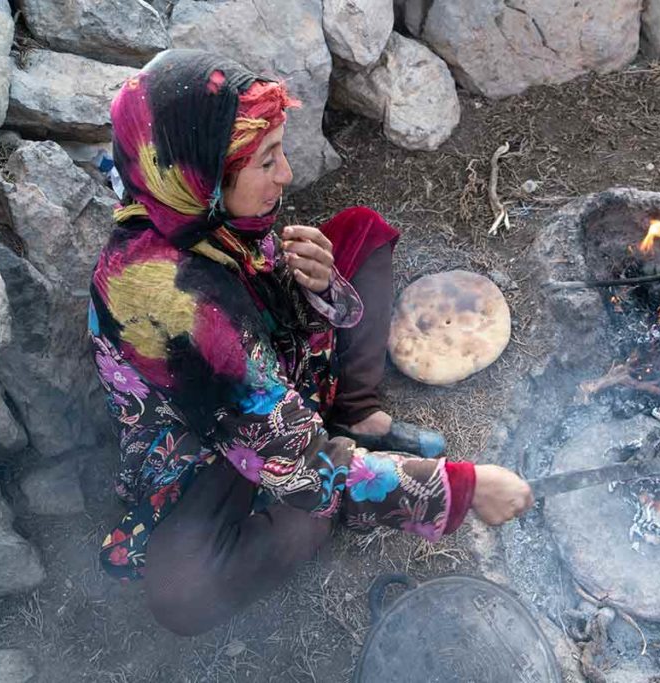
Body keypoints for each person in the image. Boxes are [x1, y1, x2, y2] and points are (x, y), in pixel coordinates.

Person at [88, 49, 534, 636]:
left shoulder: (201, 211)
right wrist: (461, 487)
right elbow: (291, 455)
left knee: (360, 233)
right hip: (217, 446)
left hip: (271, 382)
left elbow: (276, 310)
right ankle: (320, 504)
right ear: (202, 173)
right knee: (184, 592)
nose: (287, 175)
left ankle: (359, 419)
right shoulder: (166, 301)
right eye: (268, 161)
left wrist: (323, 285)